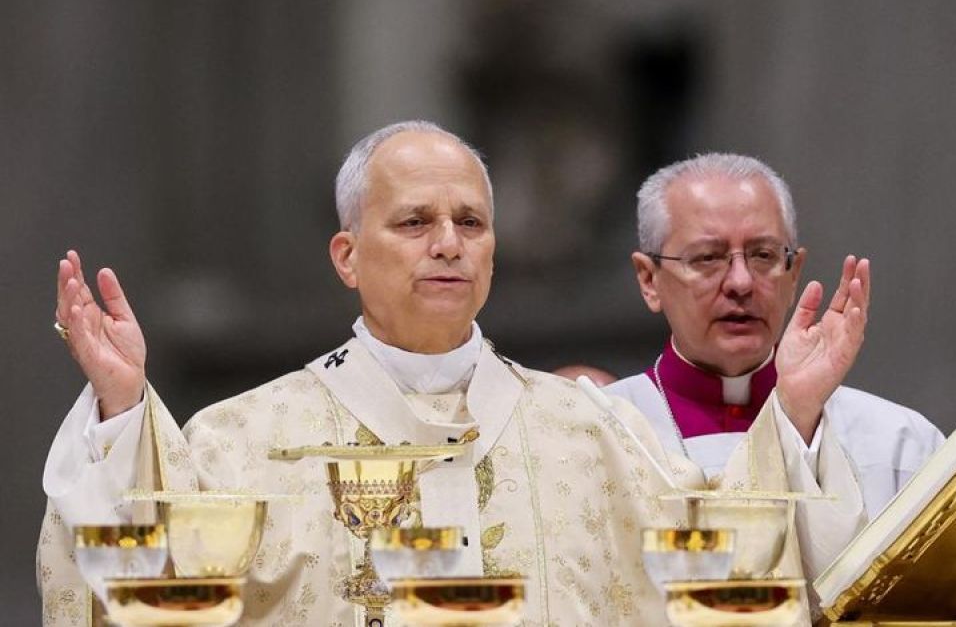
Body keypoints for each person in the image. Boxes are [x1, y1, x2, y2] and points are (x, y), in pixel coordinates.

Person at [38, 123, 863, 626]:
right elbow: (132, 595)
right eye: (414, 221)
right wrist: (121, 409)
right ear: (347, 256)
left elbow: (735, 577)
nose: (448, 242)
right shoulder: (241, 443)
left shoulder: (592, 431)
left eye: (470, 221)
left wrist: (789, 410)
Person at [606, 153, 944, 531]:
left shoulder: (900, 443)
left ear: (794, 273)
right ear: (649, 280)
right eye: (707, 258)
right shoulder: (599, 436)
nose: (741, 283)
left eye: (763, 255)